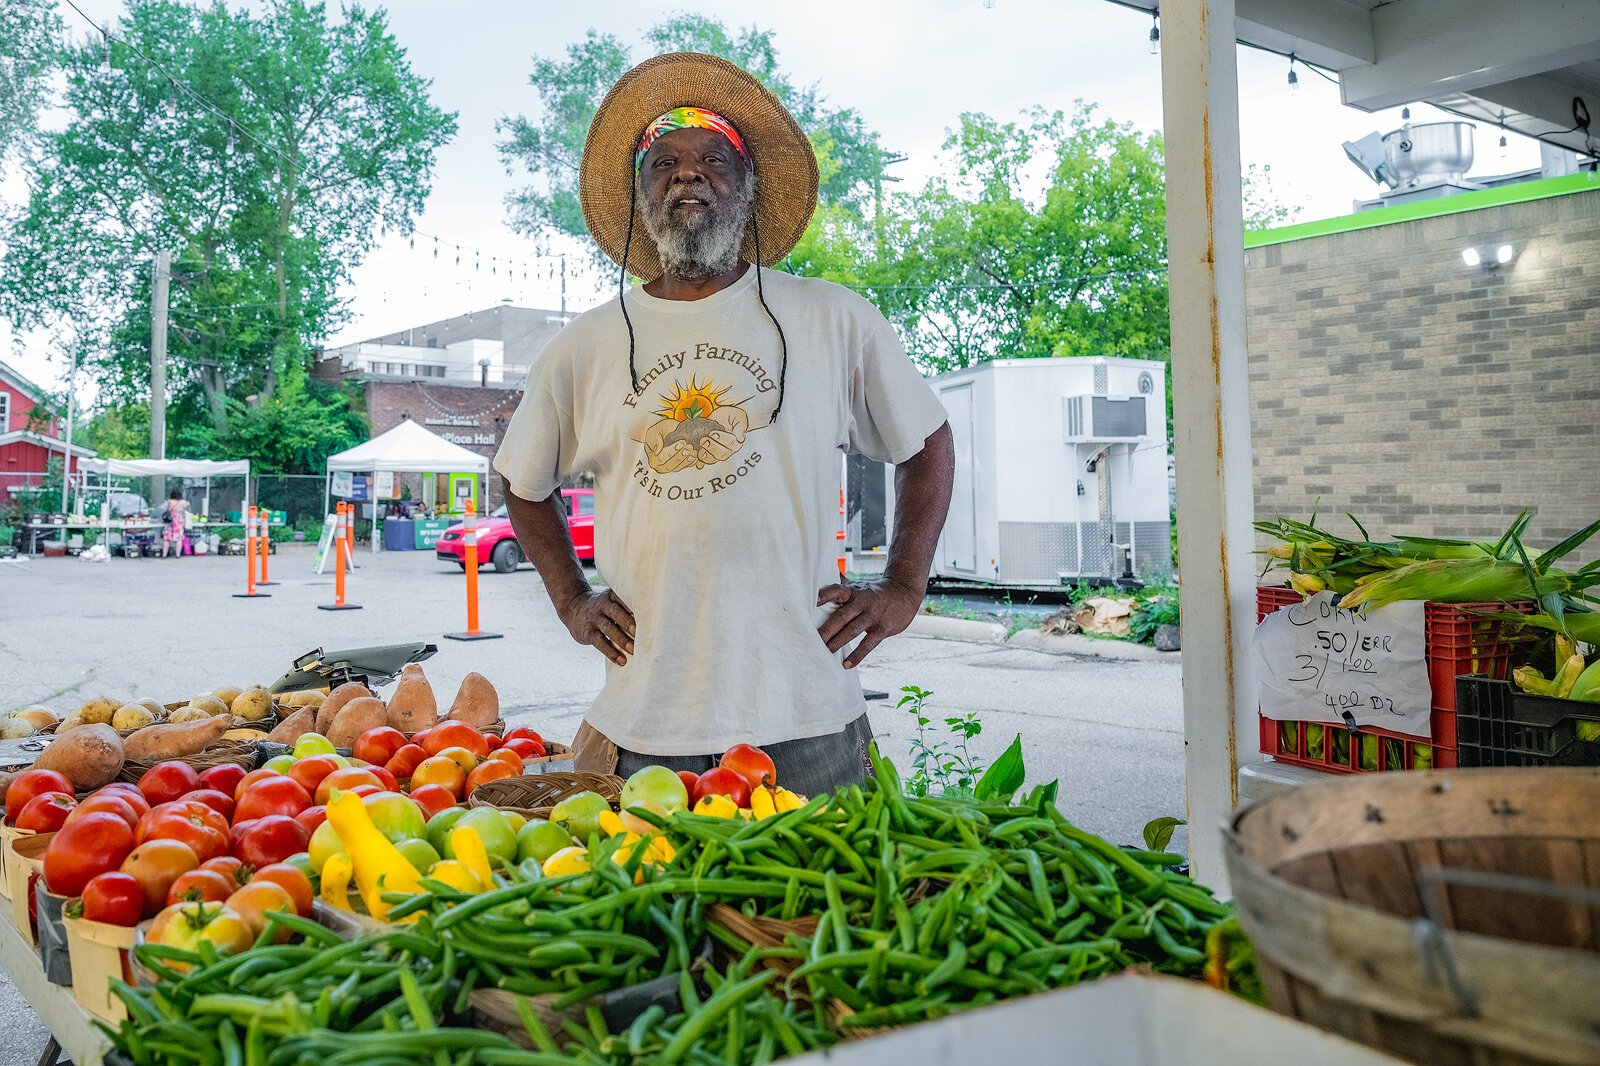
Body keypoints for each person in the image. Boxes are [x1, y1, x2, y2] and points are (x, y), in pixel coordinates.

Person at [494, 53, 954, 796]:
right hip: (644, 721)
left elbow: (927, 441)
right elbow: (521, 480)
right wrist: (572, 602)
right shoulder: (584, 344)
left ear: (746, 187)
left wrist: (903, 584)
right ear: (642, 194)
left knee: (824, 908)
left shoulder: (832, 316)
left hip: (807, 713)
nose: (688, 174)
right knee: (652, 912)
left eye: (715, 159)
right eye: (664, 163)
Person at [158, 489, 189, 558]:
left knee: (167, 539)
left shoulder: (169, 502)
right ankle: (178, 554)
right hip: (178, 523)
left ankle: (164, 554)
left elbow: (162, 507)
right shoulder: (183, 502)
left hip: (170, 522)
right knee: (179, 539)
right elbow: (188, 505)